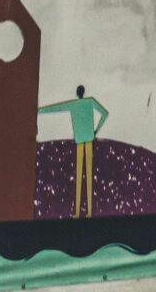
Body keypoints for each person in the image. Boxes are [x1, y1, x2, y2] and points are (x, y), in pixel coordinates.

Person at [40, 83, 110, 217]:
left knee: (79, 176)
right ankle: (88, 213)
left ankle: (77, 213)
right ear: (83, 92)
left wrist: (39, 110)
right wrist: (96, 130)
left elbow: (55, 108)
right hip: (89, 138)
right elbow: (105, 114)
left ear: (77, 93)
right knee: (88, 176)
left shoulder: (73, 104)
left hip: (80, 141)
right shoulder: (90, 102)